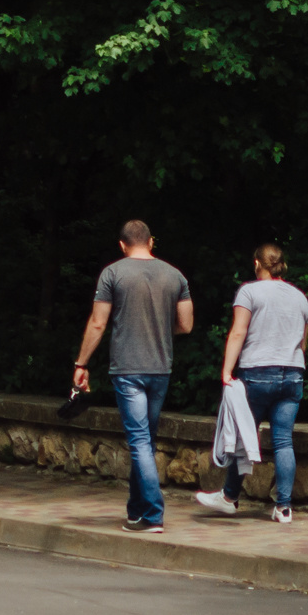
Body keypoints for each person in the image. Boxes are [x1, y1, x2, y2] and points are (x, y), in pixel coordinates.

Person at [71, 220, 194, 532]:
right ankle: (136, 511)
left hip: (127, 369)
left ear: (123, 245)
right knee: (146, 443)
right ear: (151, 242)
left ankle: (153, 515)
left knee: (139, 442)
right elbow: (186, 325)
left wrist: (81, 363)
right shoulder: (175, 275)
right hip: (160, 367)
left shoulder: (113, 273)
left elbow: (98, 324)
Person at [193, 243, 308, 524]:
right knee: (284, 441)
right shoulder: (300, 298)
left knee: (244, 436)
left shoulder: (249, 291)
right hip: (293, 373)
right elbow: (303, 344)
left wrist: (226, 370)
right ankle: (284, 509)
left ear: (258, 263)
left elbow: (238, 332)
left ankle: (229, 497)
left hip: (257, 372)